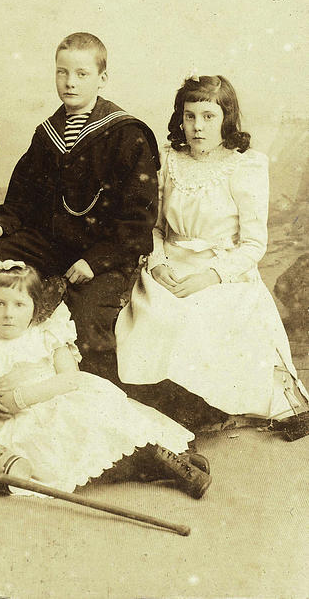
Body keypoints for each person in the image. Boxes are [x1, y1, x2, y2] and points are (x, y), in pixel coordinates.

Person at [115, 75, 309, 439]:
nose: (198, 127)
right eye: (190, 116)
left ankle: (213, 406)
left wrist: (212, 276)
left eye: (208, 116)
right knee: (156, 317)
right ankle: (176, 406)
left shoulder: (245, 166)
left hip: (223, 268)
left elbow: (253, 244)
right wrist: (158, 264)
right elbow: (155, 228)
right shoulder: (171, 161)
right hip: (170, 263)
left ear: (226, 119)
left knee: (208, 317)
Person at [0, 32, 160, 382]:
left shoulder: (126, 135)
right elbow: (23, 197)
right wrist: (4, 224)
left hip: (104, 251)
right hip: (52, 244)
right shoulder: (48, 135)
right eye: (62, 72)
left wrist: (96, 260)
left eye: (82, 74)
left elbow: (138, 221)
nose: (70, 82)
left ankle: (98, 398)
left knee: (87, 321)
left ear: (102, 78)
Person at [0, 263, 211, 498]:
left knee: (102, 420)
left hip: (62, 398)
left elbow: (70, 379)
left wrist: (20, 398)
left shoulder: (46, 333)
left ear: (34, 307)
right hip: (25, 420)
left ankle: (165, 457)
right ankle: (155, 463)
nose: (8, 314)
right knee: (52, 458)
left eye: (19, 304)